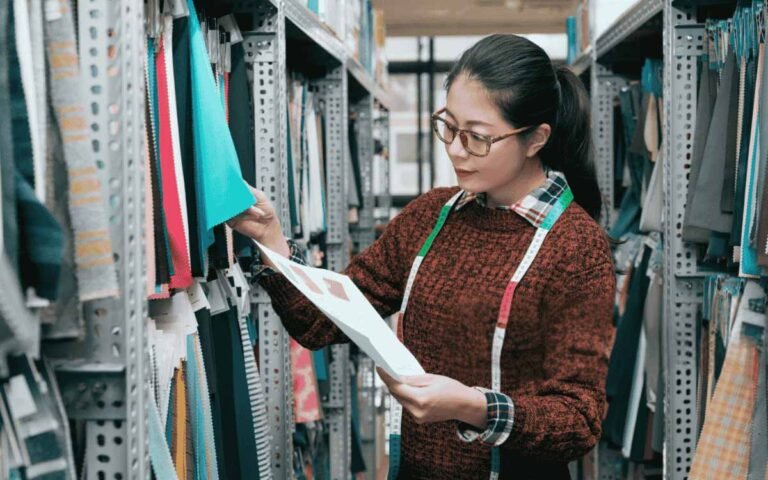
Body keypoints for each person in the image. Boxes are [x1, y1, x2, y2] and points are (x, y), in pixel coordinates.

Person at [230, 34, 615, 480]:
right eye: (448, 126)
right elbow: (321, 323)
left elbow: (579, 420)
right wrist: (273, 242)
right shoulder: (432, 215)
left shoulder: (575, 247)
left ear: (535, 139)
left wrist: (473, 407)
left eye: (476, 138)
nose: (453, 149)